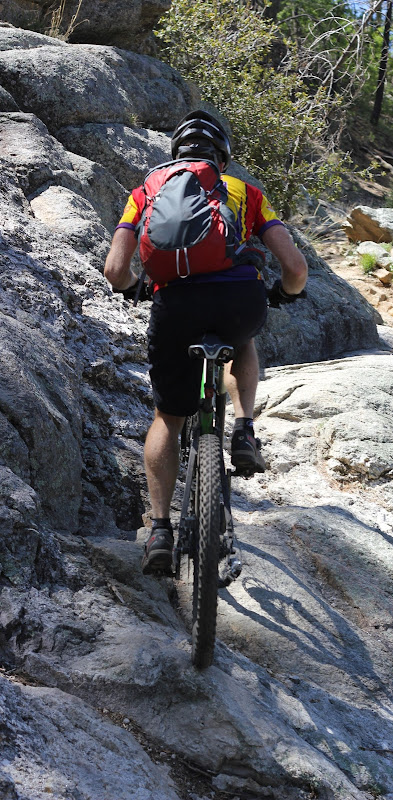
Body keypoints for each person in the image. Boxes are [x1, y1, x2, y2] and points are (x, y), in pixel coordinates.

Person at [104, 110, 307, 574]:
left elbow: (115, 271)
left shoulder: (145, 191)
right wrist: (284, 293)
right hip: (238, 299)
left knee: (168, 417)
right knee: (243, 339)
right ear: (222, 157)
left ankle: (160, 529)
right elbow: (295, 269)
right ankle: (244, 428)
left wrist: (137, 288)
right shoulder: (245, 192)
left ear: (177, 154)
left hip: (175, 305)